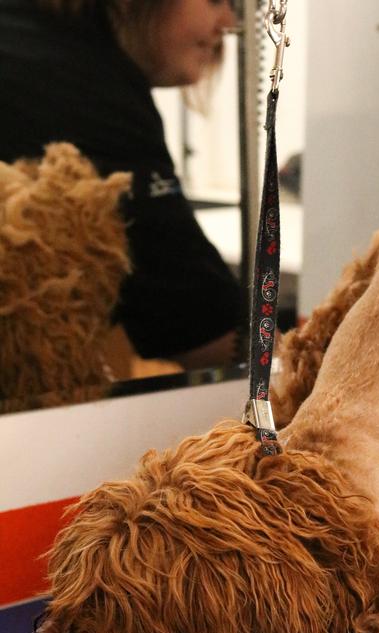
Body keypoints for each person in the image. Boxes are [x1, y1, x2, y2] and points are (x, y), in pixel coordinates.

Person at [0, 0, 246, 369]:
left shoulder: (30, 34)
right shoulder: (85, 84)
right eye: (215, 0)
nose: (229, 22)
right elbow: (195, 321)